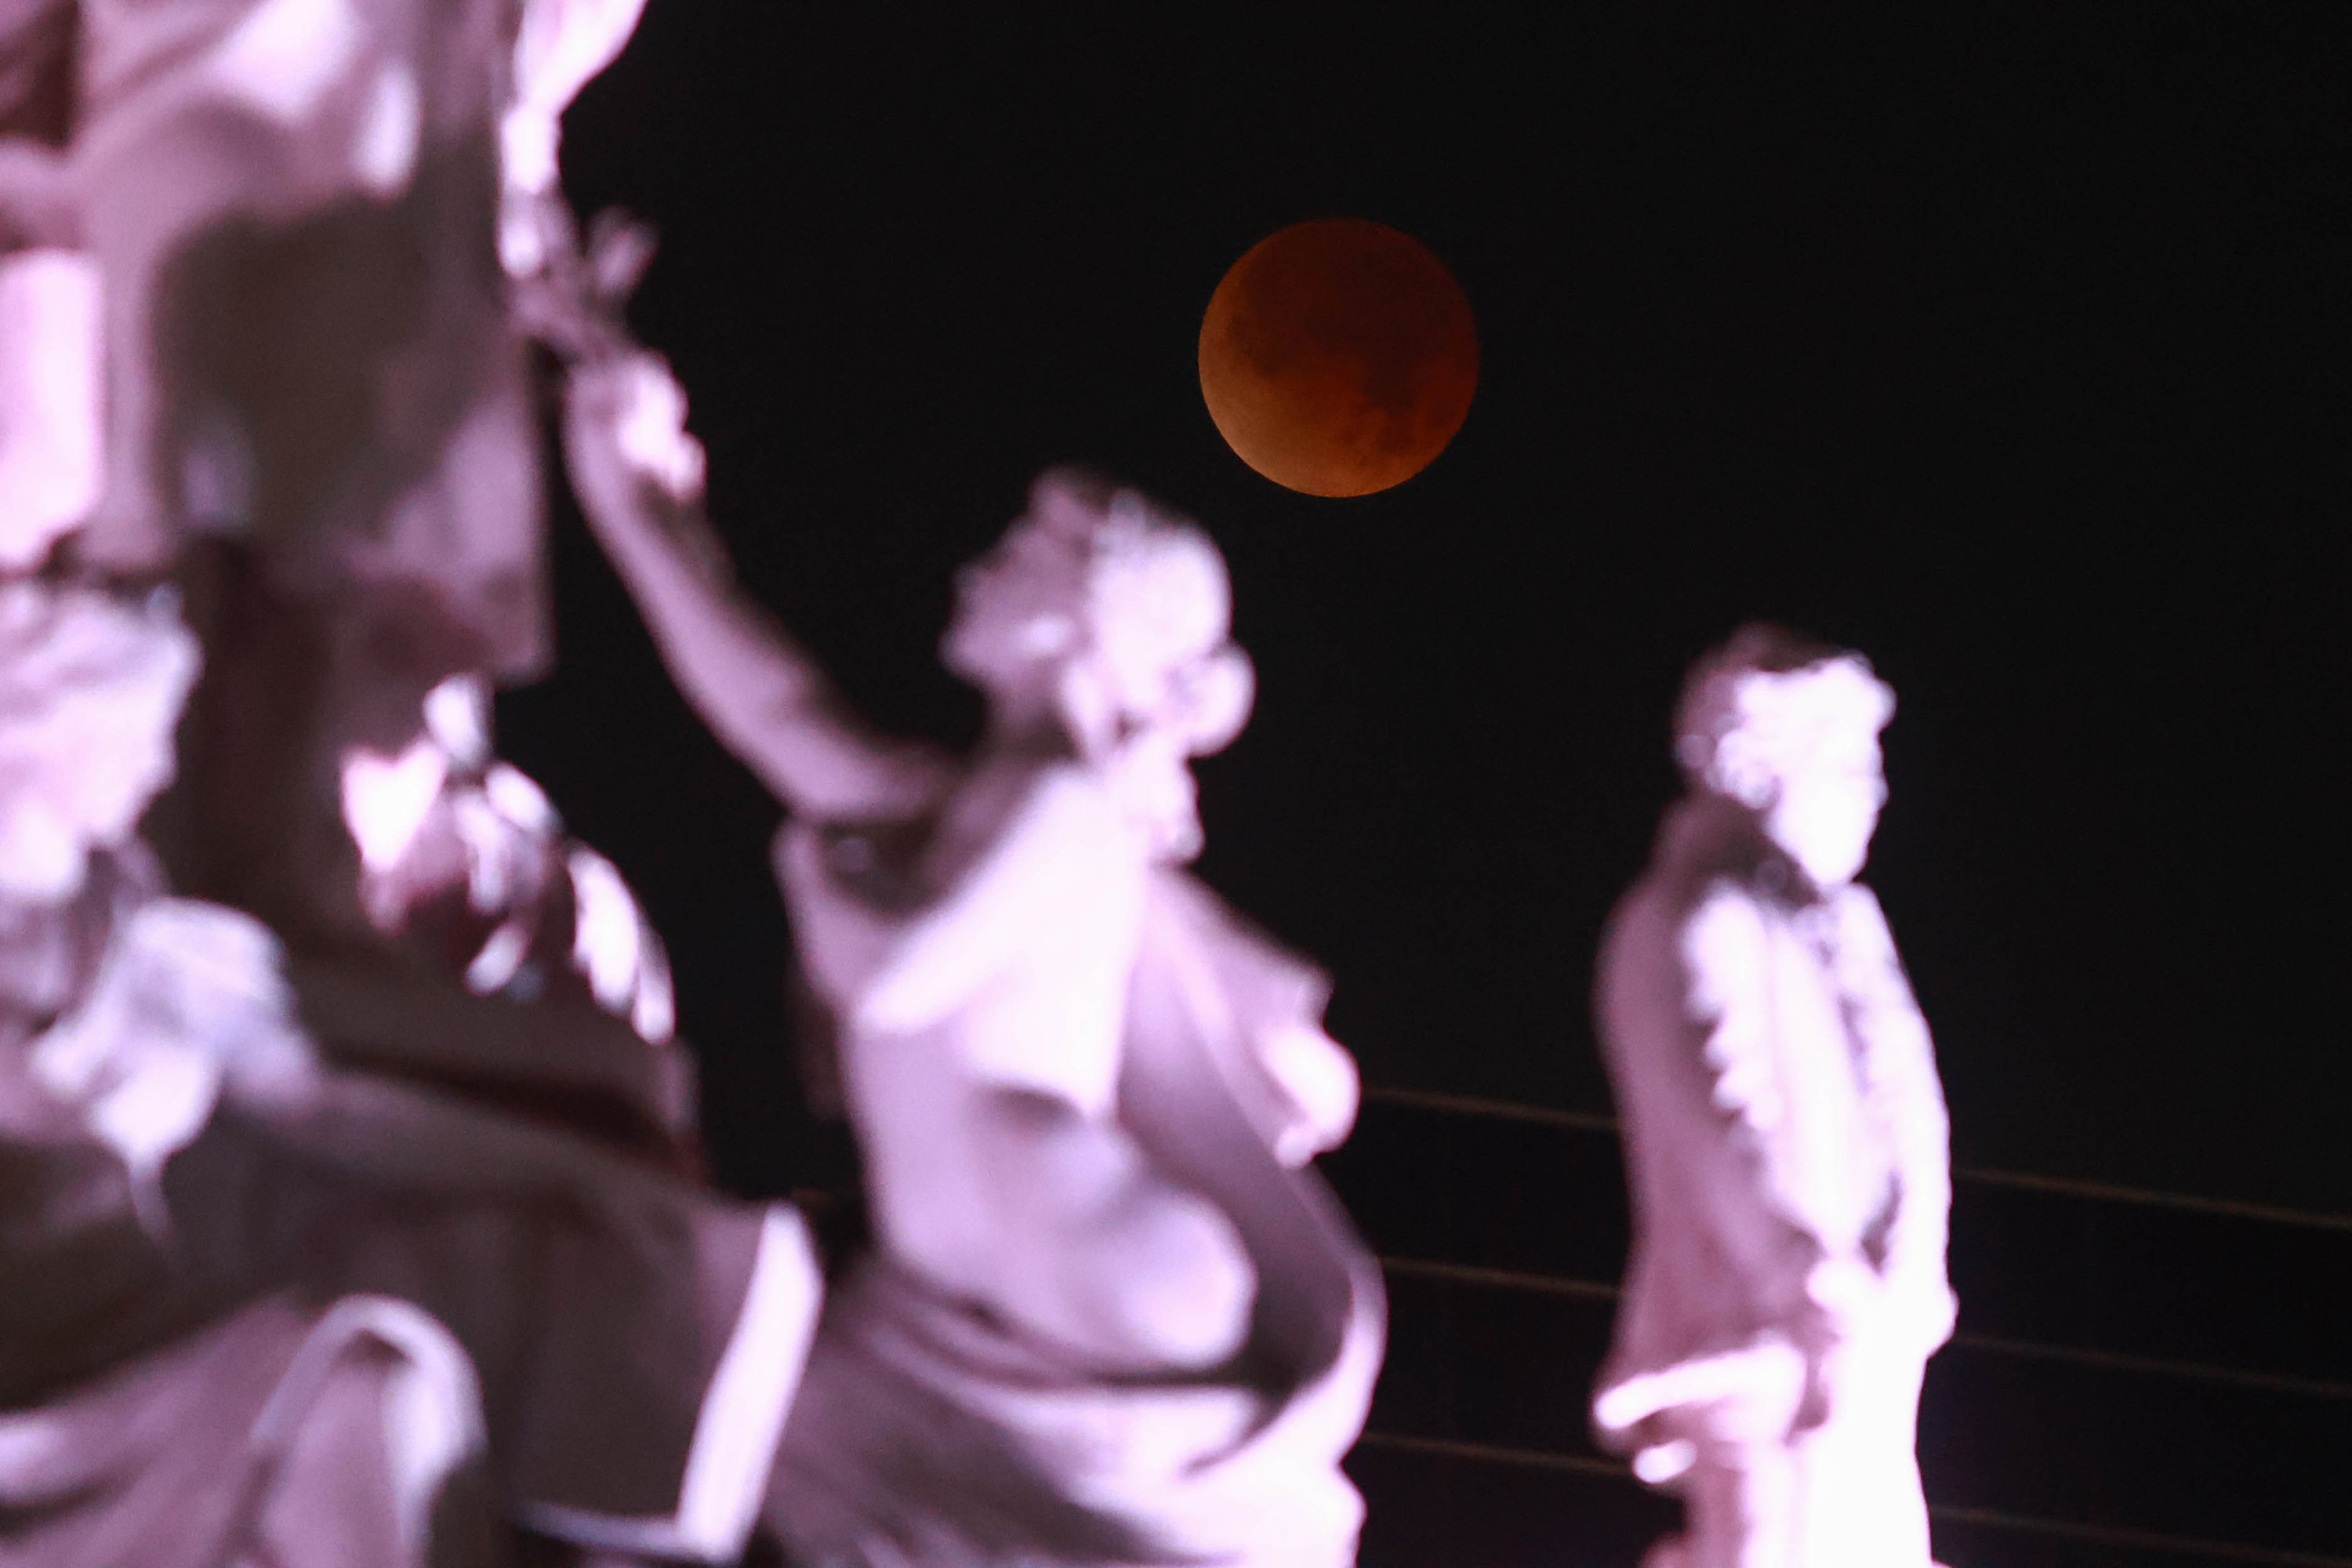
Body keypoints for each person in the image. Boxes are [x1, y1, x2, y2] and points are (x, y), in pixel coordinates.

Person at [550, 303, 1380, 1565]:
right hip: (965, 1298)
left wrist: (807, 863)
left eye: (1013, 562)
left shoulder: (1067, 804)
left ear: (1077, 620)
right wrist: (639, 501)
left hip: (1096, 1285)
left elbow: (892, 979)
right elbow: (770, 706)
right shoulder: (968, 803)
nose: (973, 575)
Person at [1591, 625, 1955, 1568]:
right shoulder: (1693, 917)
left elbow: (1913, 1115)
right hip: (1763, 1334)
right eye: (1843, 765)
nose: (1871, 793)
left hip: (1868, 1327)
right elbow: (1718, 1112)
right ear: (1761, 769)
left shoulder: (1843, 930)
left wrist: (1908, 1267)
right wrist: (1802, 1267)